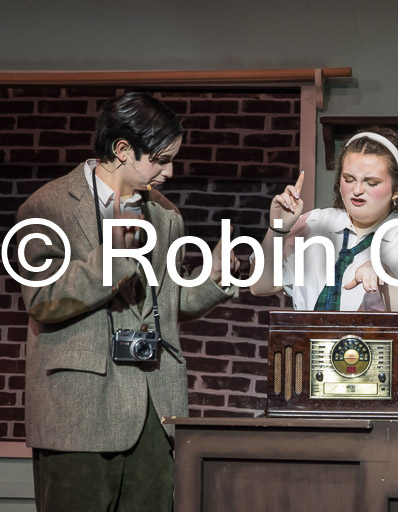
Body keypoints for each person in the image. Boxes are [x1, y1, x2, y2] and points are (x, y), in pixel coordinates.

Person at [16, 92, 239, 511]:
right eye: (161, 160)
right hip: (78, 411)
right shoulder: (48, 207)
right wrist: (116, 258)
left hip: (154, 406)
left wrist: (211, 278)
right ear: (122, 149)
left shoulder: (165, 215)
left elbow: (168, 303)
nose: (169, 172)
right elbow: (42, 298)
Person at [250, 127, 398, 323]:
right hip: (309, 344)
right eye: (349, 179)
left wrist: (385, 277)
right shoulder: (315, 224)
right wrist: (278, 228)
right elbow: (260, 286)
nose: (357, 190)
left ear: (397, 189)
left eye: (371, 183)